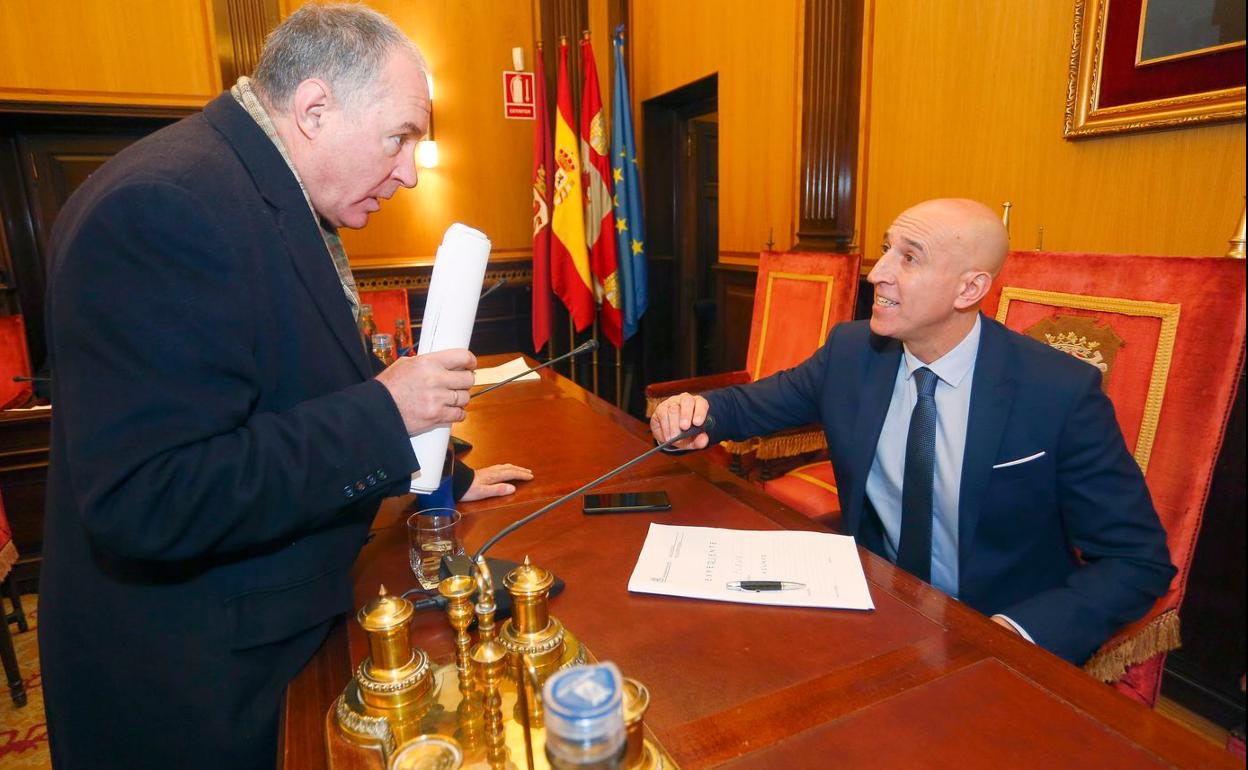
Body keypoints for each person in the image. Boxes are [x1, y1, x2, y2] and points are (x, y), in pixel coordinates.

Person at [39, 5, 527, 768]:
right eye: (401, 136)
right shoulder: (166, 206)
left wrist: (448, 480)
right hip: (196, 691)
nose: (408, 171)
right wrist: (386, 414)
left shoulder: (264, 191)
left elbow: (300, 380)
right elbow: (150, 497)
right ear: (314, 109)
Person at [651, 198, 1175, 667]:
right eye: (885, 251)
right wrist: (697, 410)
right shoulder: (852, 352)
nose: (878, 272)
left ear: (970, 288)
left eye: (909, 257)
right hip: (876, 610)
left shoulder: (1058, 392)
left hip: (999, 636)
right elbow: (752, 404)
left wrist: (1015, 634)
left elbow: (1136, 560)